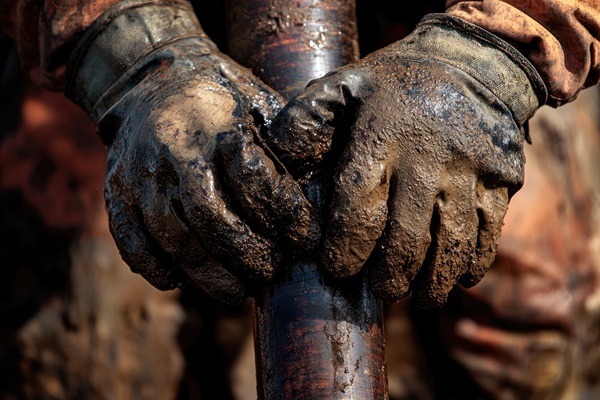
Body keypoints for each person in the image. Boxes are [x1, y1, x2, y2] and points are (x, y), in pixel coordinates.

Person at [1, 0, 599, 309]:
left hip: (454, 38)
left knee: (546, 302)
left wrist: (490, 60)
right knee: (79, 318)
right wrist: (127, 52)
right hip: (136, 59)